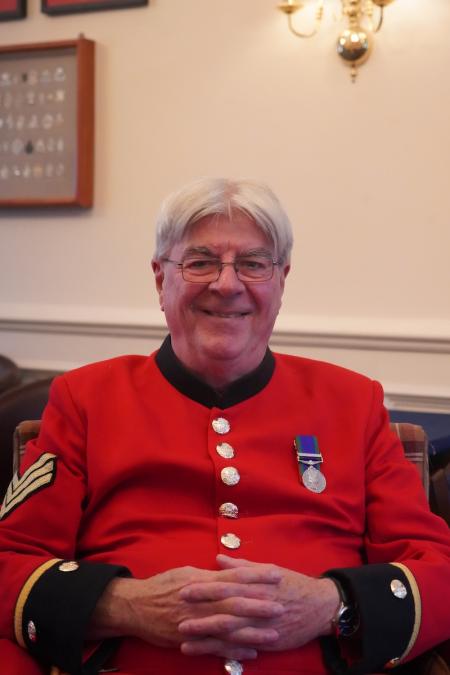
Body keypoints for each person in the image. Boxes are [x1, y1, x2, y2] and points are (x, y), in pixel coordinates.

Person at [0, 177, 449, 675]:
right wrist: (126, 604)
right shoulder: (85, 400)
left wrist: (333, 604)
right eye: (200, 262)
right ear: (159, 279)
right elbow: (10, 561)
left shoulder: (353, 402)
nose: (227, 283)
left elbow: (435, 568)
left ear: (282, 280)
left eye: (254, 264)